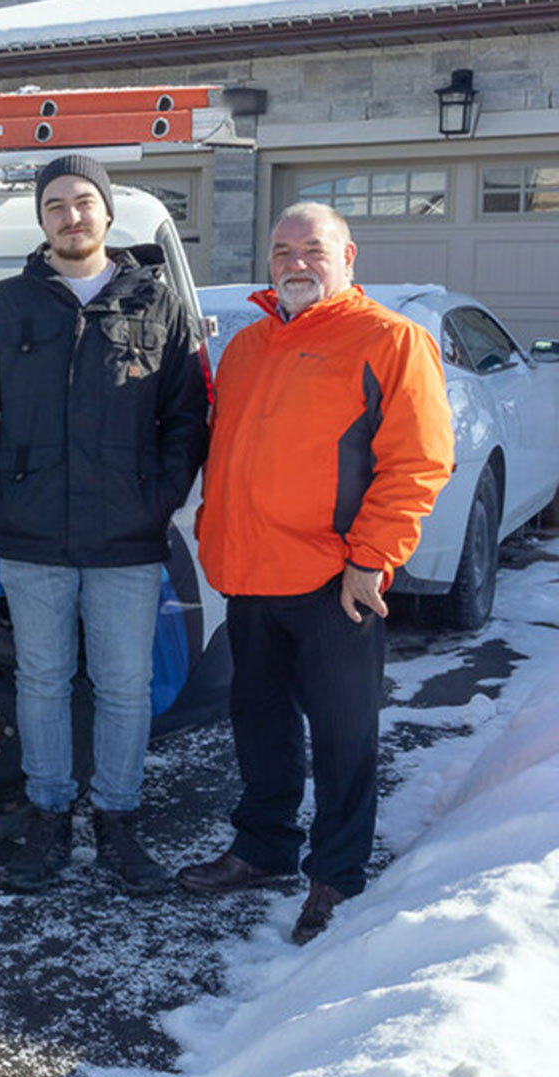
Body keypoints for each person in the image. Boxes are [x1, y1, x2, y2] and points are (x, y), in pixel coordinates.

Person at [179, 203, 453, 942]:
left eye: (313, 249)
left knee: (342, 737)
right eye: (282, 250)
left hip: (336, 584)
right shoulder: (250, 346)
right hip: (250, 578)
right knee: (259, 728)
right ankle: (263, 849)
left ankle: (335, 875)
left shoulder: (391, 341)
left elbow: (420, 461)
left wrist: (371, 560)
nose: (296, 262)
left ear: (349, 255)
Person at [0, 154, 209, 895]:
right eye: (56, 204)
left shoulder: (154, 304)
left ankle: (119, 825)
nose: (71, 215)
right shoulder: (3, 306)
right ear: (41, 220)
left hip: (127, 537)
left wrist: (157, 497)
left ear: (106, 213)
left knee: (125, 685)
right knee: (43, 682)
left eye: (84, 201)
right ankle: (49, 819)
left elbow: (187, 415)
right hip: (33, 538)